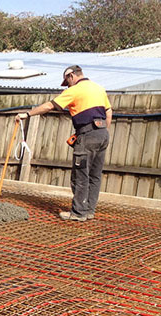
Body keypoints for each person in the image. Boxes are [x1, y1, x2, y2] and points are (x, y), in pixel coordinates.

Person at [16, 65, 112, 221]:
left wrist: (27, 114)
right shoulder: (99, 88)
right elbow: (108, 112)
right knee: (95, 175)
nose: (67, 85)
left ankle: (78, 213)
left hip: (87, 135)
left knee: (80, 175)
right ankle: (88, 211)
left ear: (71, 76)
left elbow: (49, 105)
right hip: (102, 134)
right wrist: (103, 132)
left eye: (67, 82)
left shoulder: (74, 91)